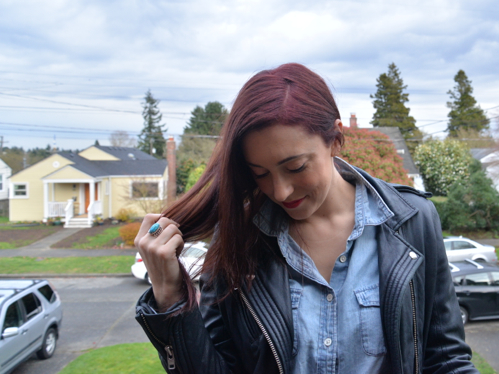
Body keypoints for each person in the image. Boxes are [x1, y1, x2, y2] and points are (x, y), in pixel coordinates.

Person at [134, 63, 480, 374]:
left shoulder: (413, 222)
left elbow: (445, 358)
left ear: (336, 138)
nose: (280, 191)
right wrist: (169, 295)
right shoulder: (237, 236)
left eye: (296, 166)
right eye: (260, 173)